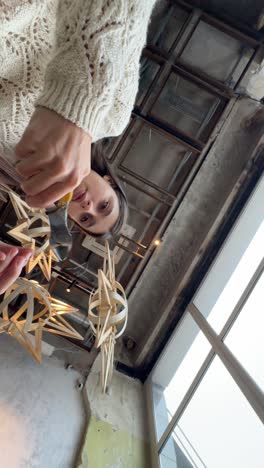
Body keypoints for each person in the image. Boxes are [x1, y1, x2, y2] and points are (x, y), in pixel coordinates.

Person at [0, 0, 156, 292]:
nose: (88, 205)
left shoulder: (12, 173)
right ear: (109, 181)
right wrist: (79, 107)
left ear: (71, 219)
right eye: (104, 204)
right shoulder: (111, 114)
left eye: (86, 217)